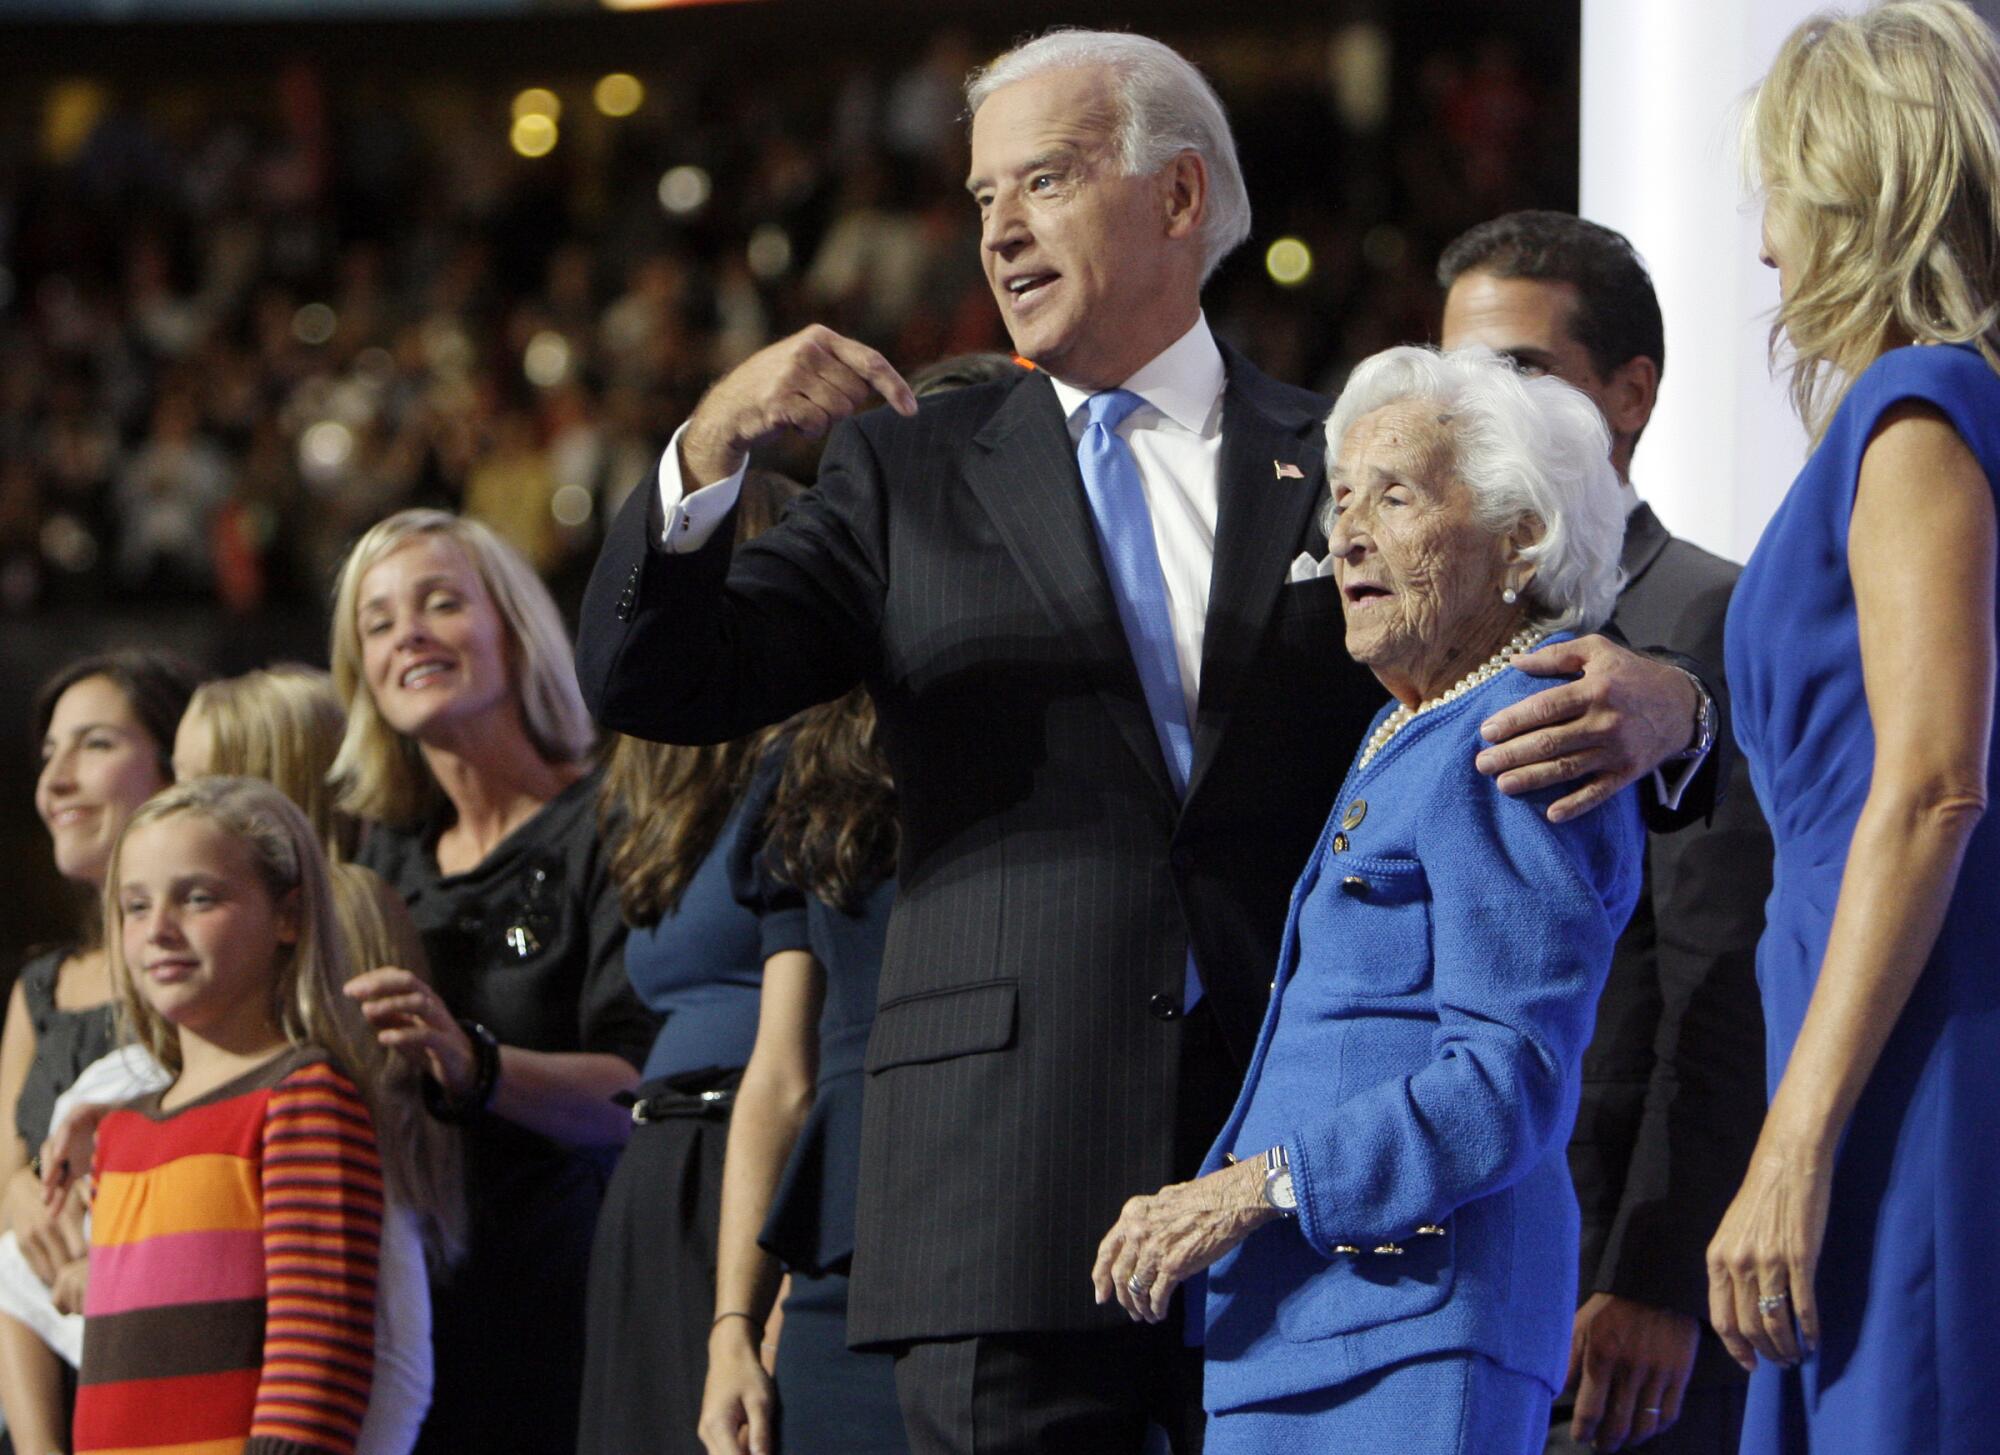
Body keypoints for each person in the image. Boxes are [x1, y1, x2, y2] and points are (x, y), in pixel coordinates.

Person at [576, 30, 1715, 1449]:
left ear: (1179, 199)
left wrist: (1681, 705)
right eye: (985, 191)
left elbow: (1520, 630)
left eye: (1043, 179)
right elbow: (655, 676)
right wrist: (707, 450)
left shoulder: (1349, 463)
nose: (997, 224)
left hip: (1311, 1227)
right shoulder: (905, 470)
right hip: (1008, 1184)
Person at [1096, 344, 1642, 1450]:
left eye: (1394, 495)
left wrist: (1253, 1190)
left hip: (1412, 1332)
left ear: (1517, 537)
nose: (1343, 531)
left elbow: (1507, 1079)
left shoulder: (1517, 732)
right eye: (1340, 498)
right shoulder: (1412, 721)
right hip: (1307, 1329)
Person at [1437, 211, 1771, 1455]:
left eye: (1522, 370)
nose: (1481, 405)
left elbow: (1720, 963)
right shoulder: (1430, 641)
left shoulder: (1712, 618)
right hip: (1454, 1266)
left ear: (1627, 395)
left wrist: (1654, 1269)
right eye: (1457, 370)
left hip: (1609, 1285)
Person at [1715, 5, 2000, 1450]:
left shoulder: (1920, 409)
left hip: (1914, 1034)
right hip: (1857, 1003)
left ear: (1857, 188)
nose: (1765, 247)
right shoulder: (1909, 418)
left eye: (1777, 192)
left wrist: (1795, 1139)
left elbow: (1937, 785)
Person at [332, 509, 656, 1454]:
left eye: (441, 603)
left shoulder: (610, 821)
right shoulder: (373, 859)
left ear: (515, 629)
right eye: (380, 622)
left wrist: (476, 1064)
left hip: (573, 1306)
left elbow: (644, 1092)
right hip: (412, 1324)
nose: (412, 636)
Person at [577, 470, 800, 1455]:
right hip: (656, 1178)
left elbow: (805, 1052)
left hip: (756, 1171)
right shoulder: (643, 796)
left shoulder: (805, 769)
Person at [73, 776, 388, 1455]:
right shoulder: (119, 1131)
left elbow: (320, 1343)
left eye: (198, 897)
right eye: (135, 904)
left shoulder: (302, 1096)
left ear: (288, 915)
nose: (158, 928)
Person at [0, 650, 199, 1455]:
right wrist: (22, 1195)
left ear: (177, 762)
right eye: (49, 754)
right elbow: (6, 1168)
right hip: (41, 1367)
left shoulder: (210, 977)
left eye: (95, 744)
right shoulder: (40, 988)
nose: (55, 782)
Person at [698, 687, 904, 1455]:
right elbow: (782, 1072)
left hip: (1028, 1239)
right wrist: (734, 1330)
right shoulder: (812, 755)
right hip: (846, 1257)